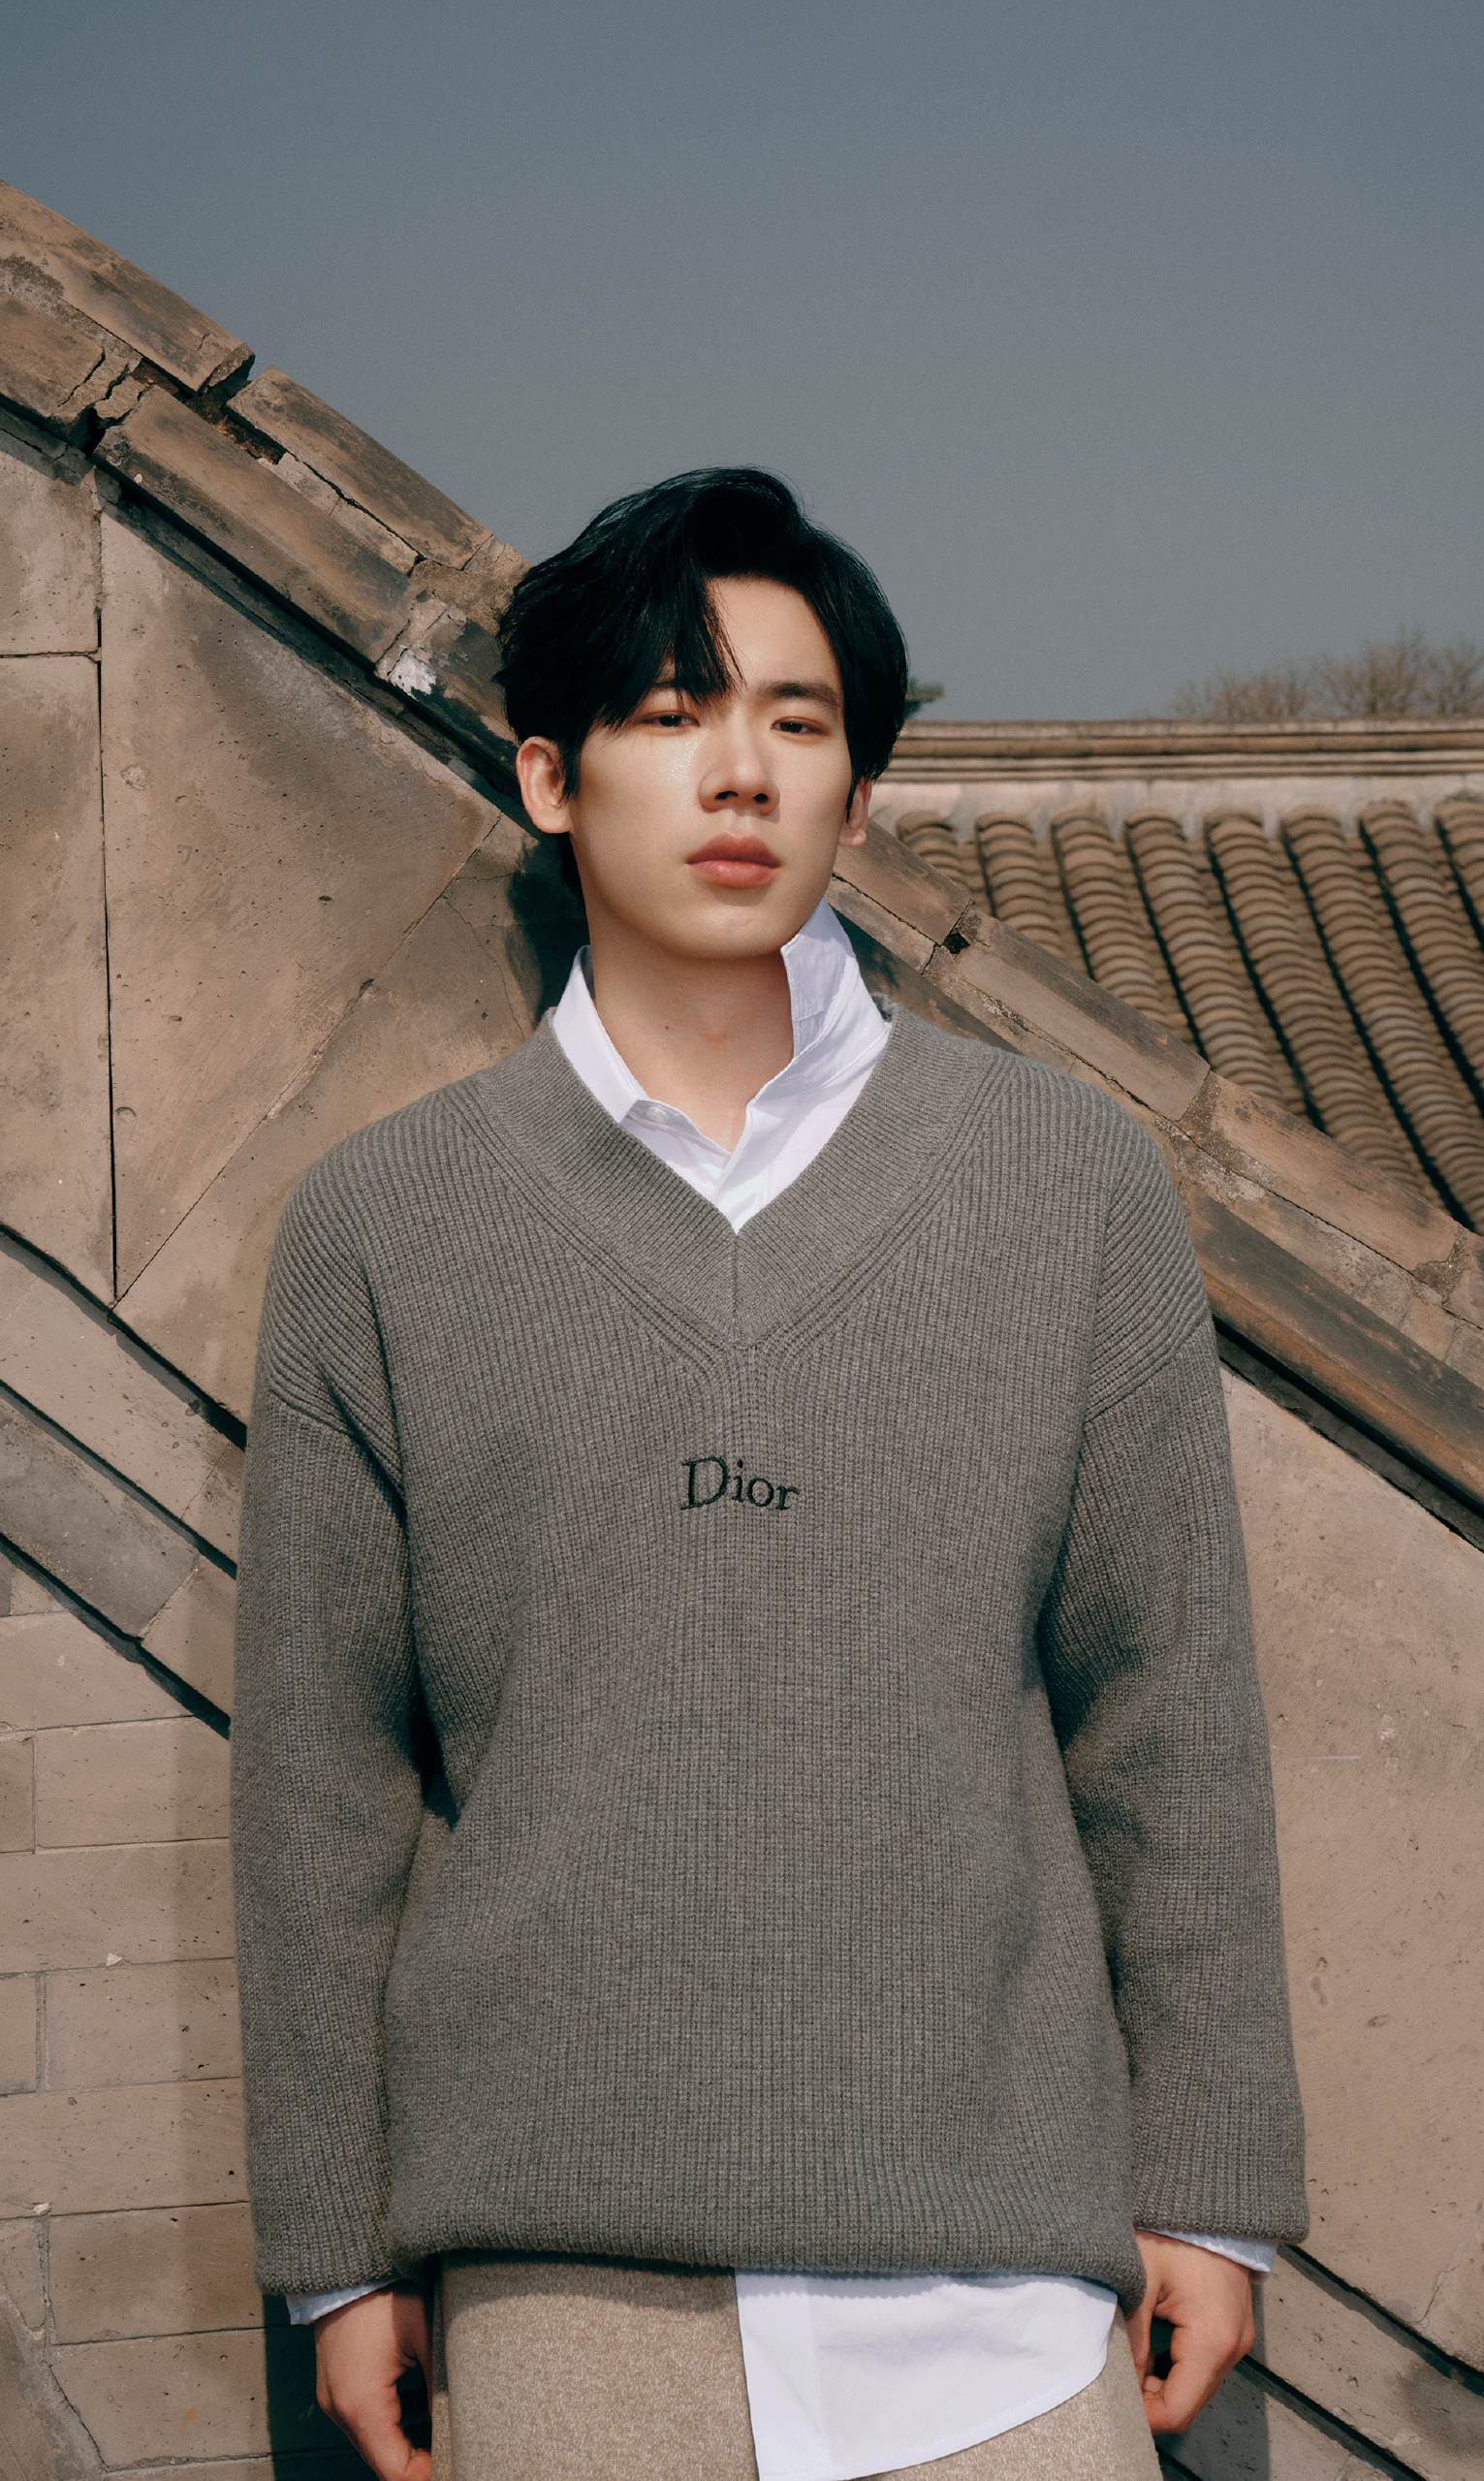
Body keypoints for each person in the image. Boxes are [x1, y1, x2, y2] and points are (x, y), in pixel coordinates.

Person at [231, 467, 1307, 2481]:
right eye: (670, 713)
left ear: (859, 792)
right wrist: (333, 2252)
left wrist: (1215, 2182)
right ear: (550, 778)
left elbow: (1170, 1711)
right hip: (562, 2301)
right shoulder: (383, 1229)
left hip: (1005, 2300)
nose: (741, 771)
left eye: (798, 722)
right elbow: (319, 1785)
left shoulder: (1066, 1188)